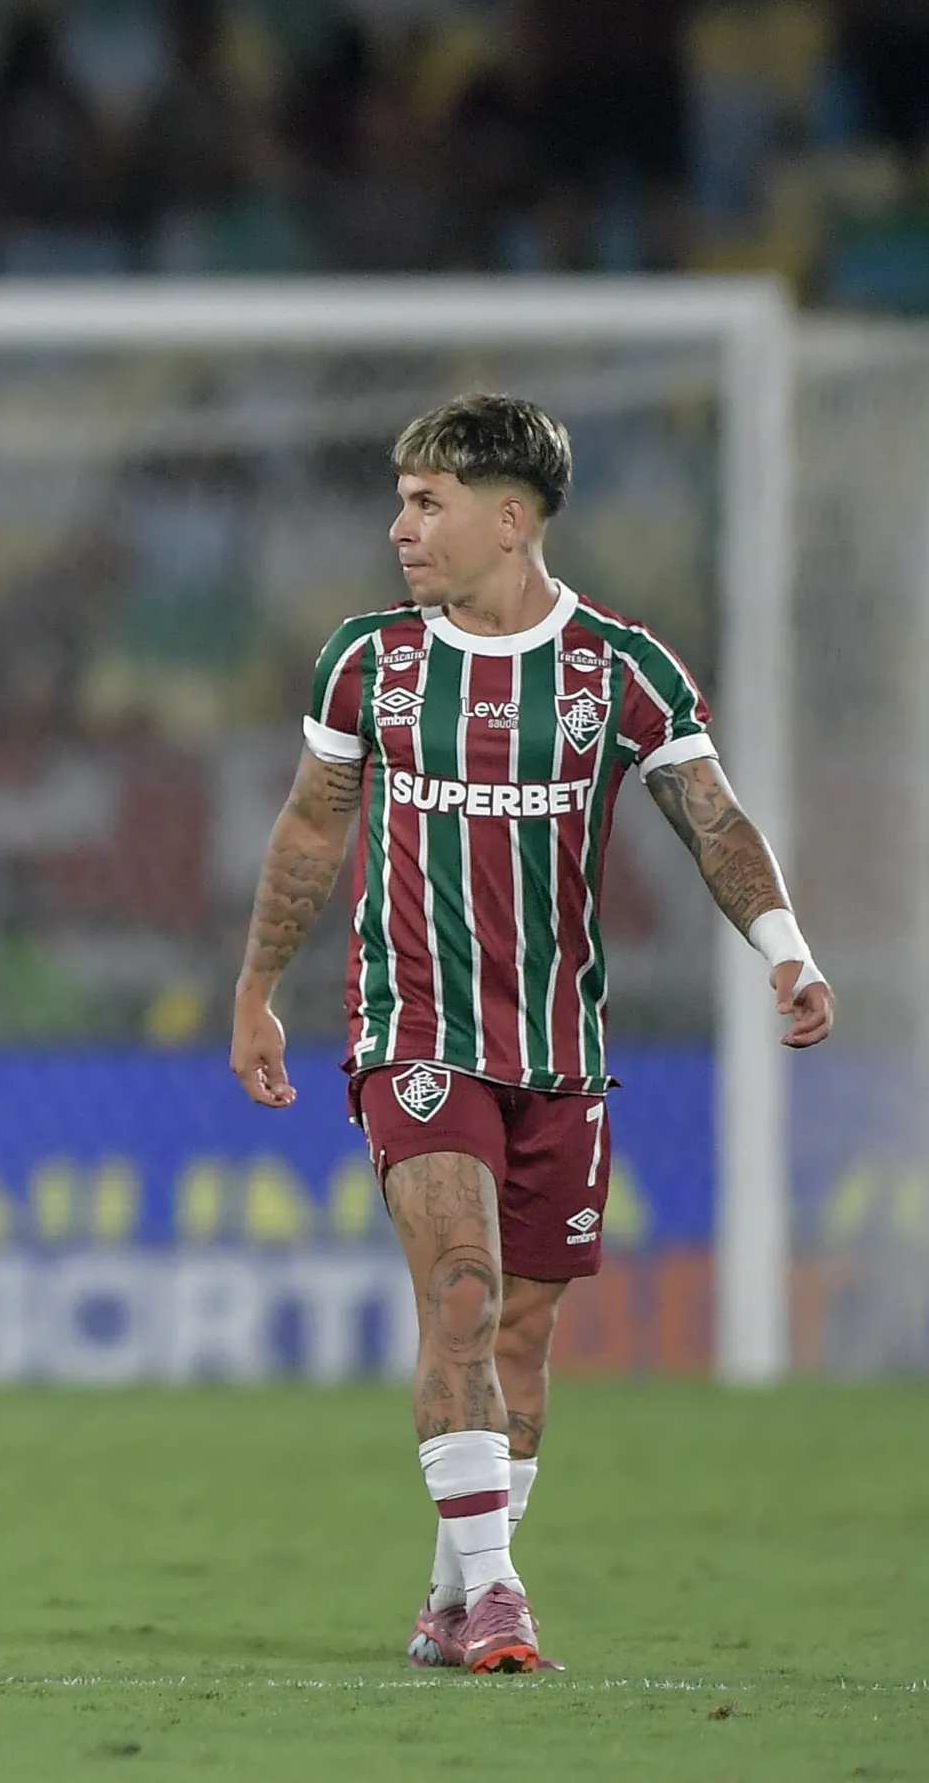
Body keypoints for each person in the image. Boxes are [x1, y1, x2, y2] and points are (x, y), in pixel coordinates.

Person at [228, 393, 833, 1676]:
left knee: (519, 1338)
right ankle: (504, 1597)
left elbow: (711, 821)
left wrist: (787, 951)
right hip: (413, 1028)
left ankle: (451, 1598)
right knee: (460, 1291)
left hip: (559, 1049)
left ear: (511, 519)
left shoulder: (619, 669)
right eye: (399, 500)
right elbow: (310, 828)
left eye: (426, 501)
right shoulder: (370, 661)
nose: (400, 527)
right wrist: (256, 987)